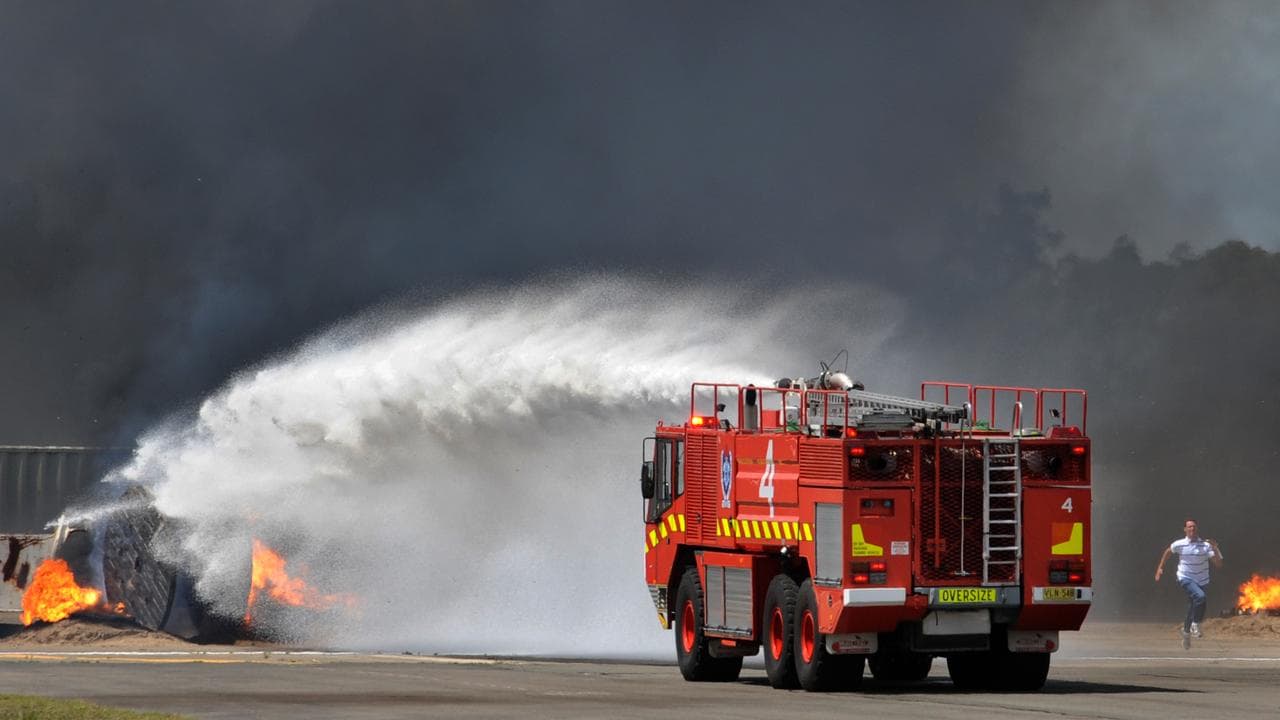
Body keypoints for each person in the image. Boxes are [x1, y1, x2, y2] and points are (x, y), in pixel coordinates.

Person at [1154, 519, 1224, 650]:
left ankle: (1186, 633)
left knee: (1193, 605)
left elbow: (1218, 564)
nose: (1192, 529)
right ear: (1185, 530)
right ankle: (1195, 624)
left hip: (1202, 579)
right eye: (1189, 527)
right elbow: (1168, 551)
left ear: (1197, 529)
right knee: (1201, 597)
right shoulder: (1179, 544)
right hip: (1185, 577)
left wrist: (1215, 547)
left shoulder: (1205, 545)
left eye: (1194, 527)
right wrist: (1160, 567)